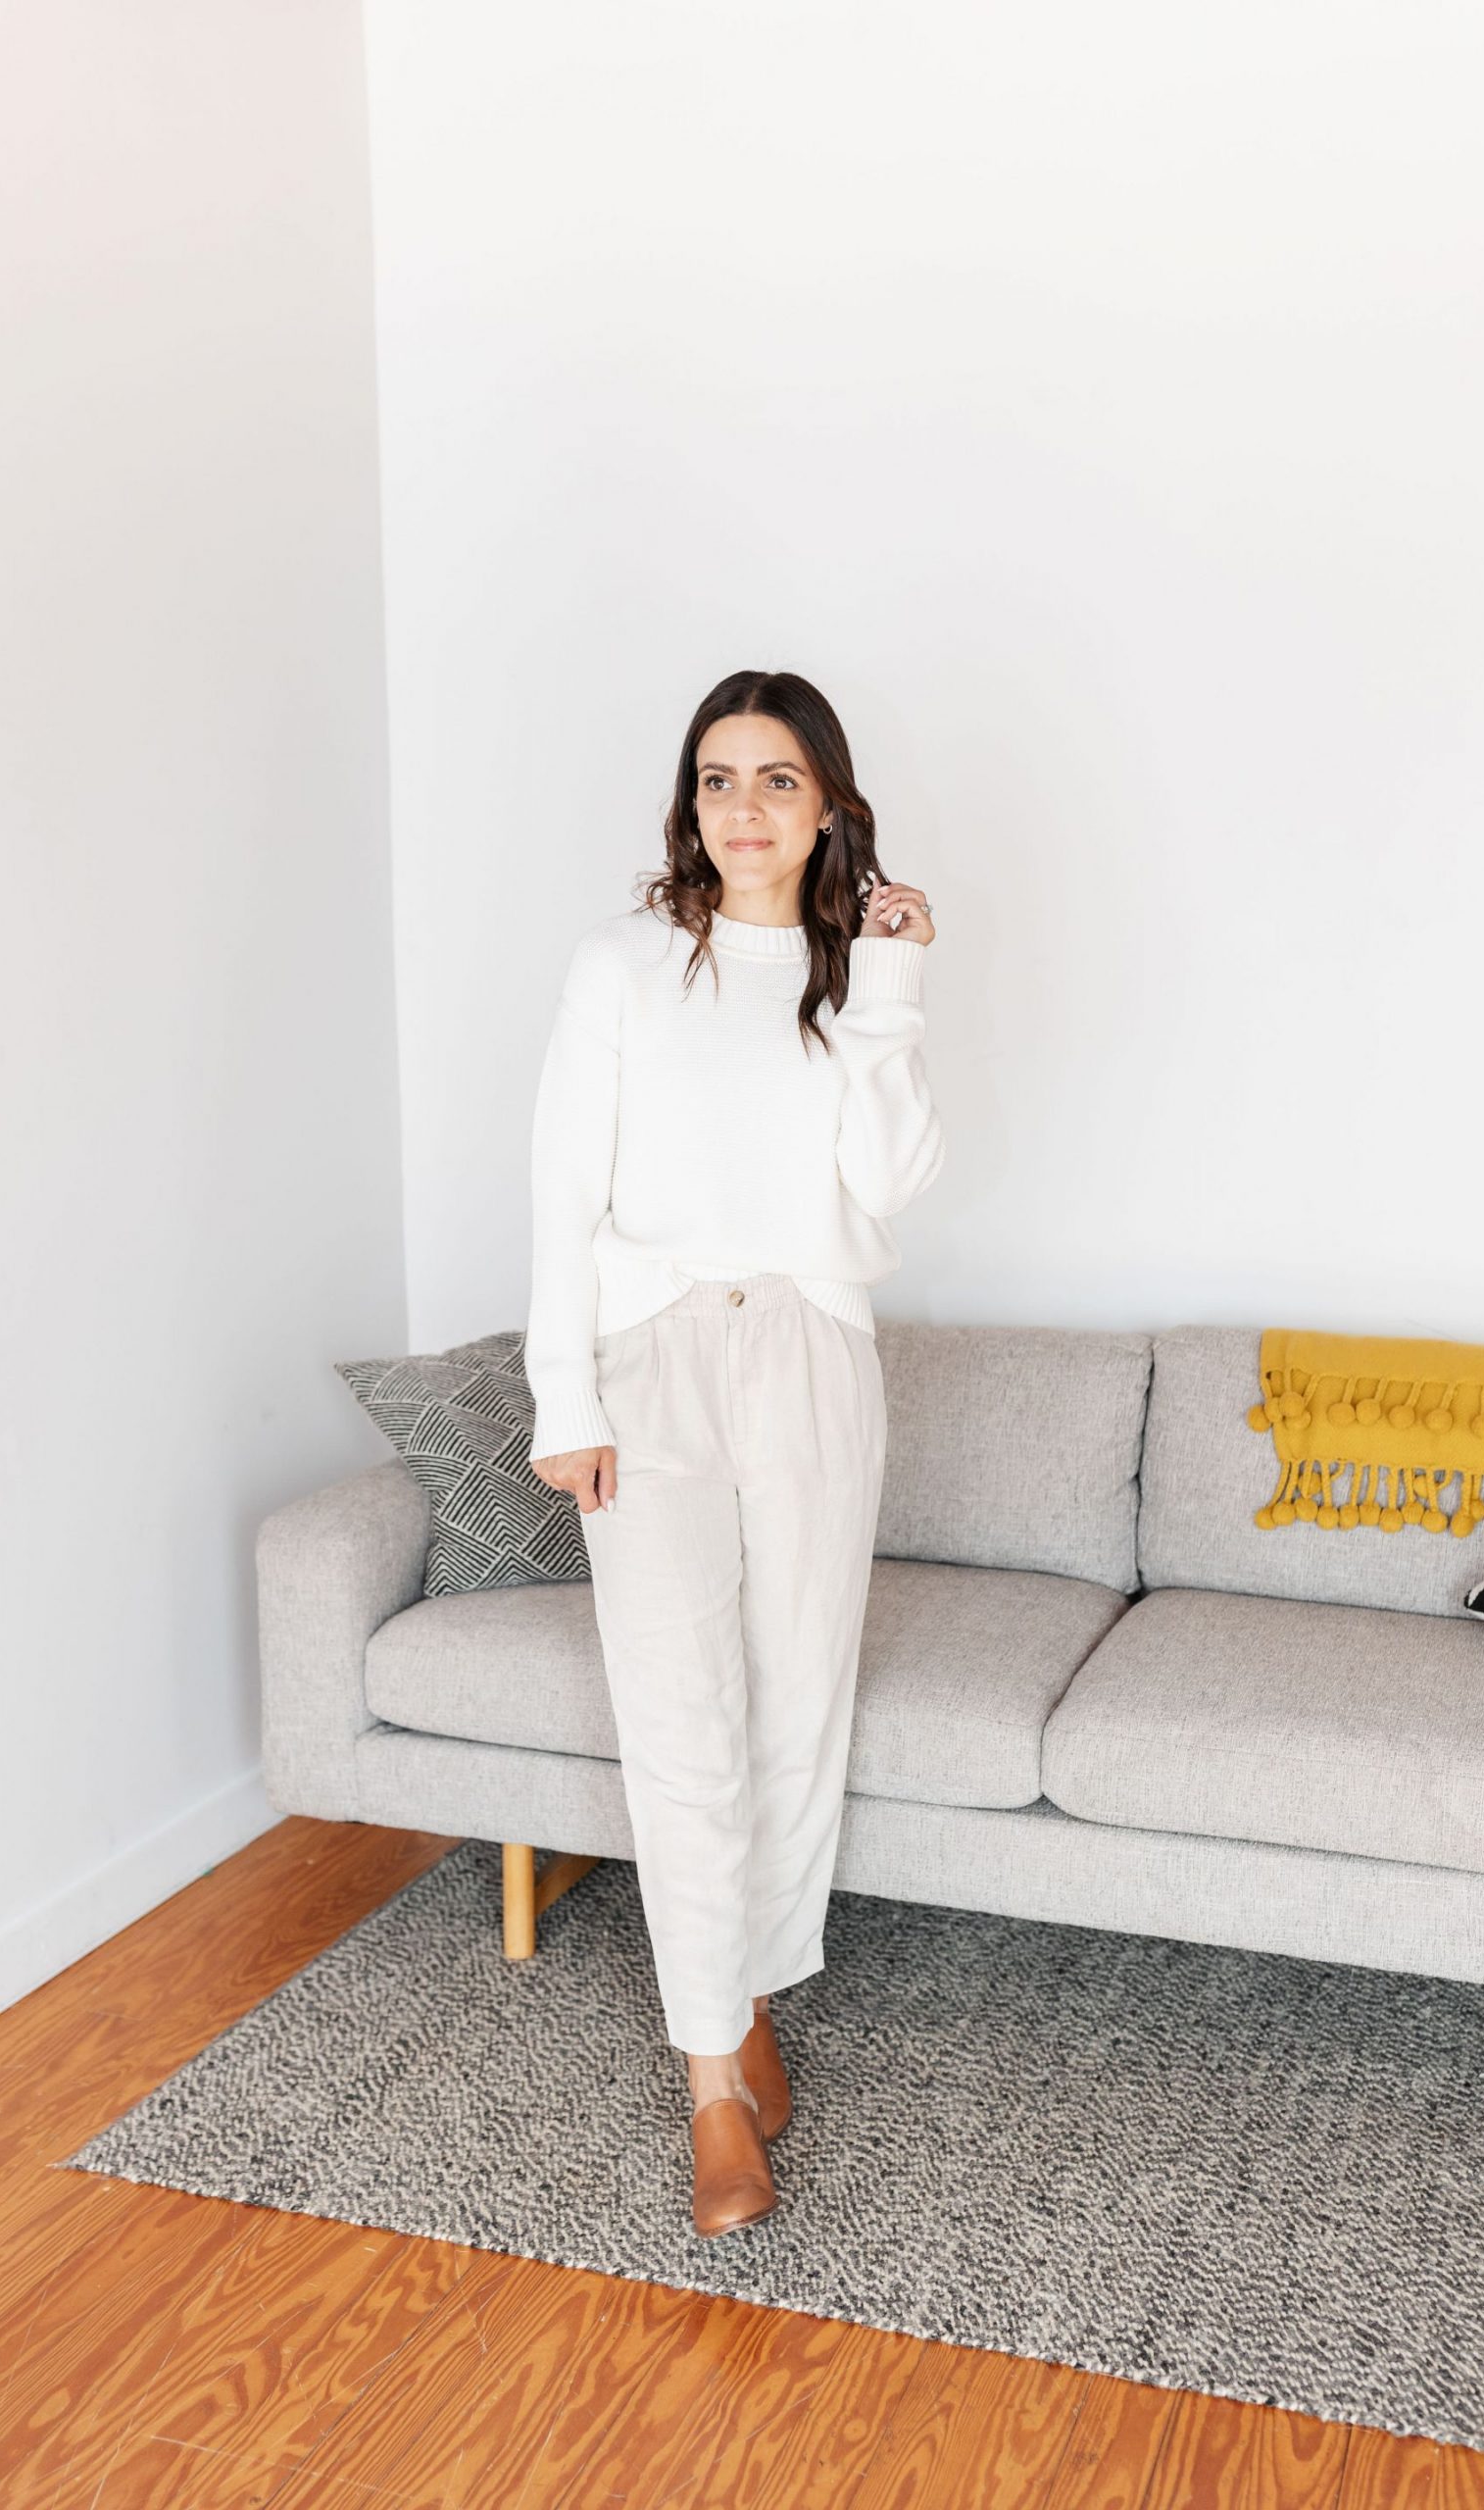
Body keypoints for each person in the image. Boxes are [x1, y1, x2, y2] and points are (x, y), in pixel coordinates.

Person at [523, 667, 945, 2235]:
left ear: (827, 806)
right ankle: (713, 2078)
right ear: (688, 804)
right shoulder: (623, 966)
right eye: (719, 778)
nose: (745, 808)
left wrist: (891, 985)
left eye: (778, 780)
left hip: (816, 1361)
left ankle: (751, 1992)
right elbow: (559, 1189)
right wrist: (565, 1399)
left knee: (795, 1710)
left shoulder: (850, 981)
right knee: (681, 1725)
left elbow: (891, 1183)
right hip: (656, 1366)